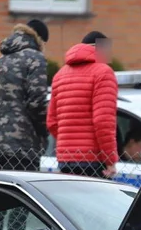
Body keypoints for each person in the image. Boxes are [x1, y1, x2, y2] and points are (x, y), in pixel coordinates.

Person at [48, 31, 119, 178]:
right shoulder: (103, 72)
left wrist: (70, 144)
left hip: (65, 159)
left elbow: (52, 122)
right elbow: (103, 121)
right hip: (92, 160)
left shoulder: (60, 75)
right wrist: (110, 159)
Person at [0, 19, 50, 172]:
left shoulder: (2, 59)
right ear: (40, 39)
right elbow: (37, 103)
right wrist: (45, 130)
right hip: (23, 146)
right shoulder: (35, 58)